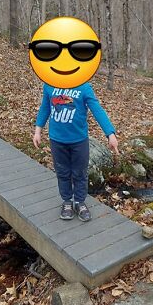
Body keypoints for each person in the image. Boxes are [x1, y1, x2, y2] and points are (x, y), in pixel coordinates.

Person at [33, 82, 119, 221]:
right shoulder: (49, 84)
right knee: (62, 172)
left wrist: (110, 134)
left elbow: (97, 109)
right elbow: (45, 108)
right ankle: (67, 201)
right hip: (57, 140)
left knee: (80, 173)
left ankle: (79, 201)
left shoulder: (84, 86)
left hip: (79, 141)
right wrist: (38, 131)